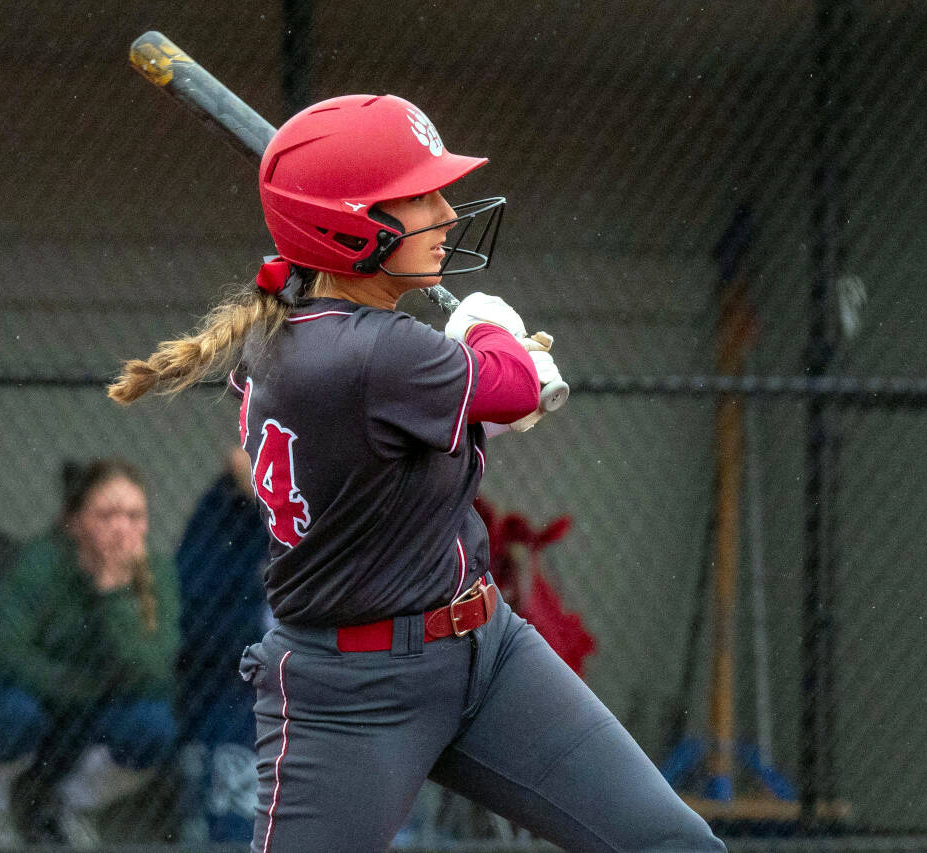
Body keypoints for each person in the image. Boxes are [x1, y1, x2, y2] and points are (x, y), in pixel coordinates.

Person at [108, 94, 725, 853]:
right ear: (350, 225)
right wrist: (489, 328)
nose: (445, 211)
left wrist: (481, 367)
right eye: (419, 197)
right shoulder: (375, 353)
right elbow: (513, 387)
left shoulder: (307, 340)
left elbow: (432, 421)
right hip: (350, 692)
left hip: (488, 652)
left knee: (672, 843)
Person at [0, 458, 180, 850]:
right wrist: (73, 684)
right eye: (107, 515)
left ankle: (68, 808)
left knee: (153, 727)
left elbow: (154, 670)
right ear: (74, 521)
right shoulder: (41, 561)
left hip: (99, 712)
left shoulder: (155, 573)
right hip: (40, 703)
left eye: (134, 515)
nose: (122, 528)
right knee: (7, 713)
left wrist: (113, 593)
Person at [175, 447, 272, 843]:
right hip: (233, 683)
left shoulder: (339, 505)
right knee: (235, 827)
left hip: (322, 682)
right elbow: (199, 618)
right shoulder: (224, 513)